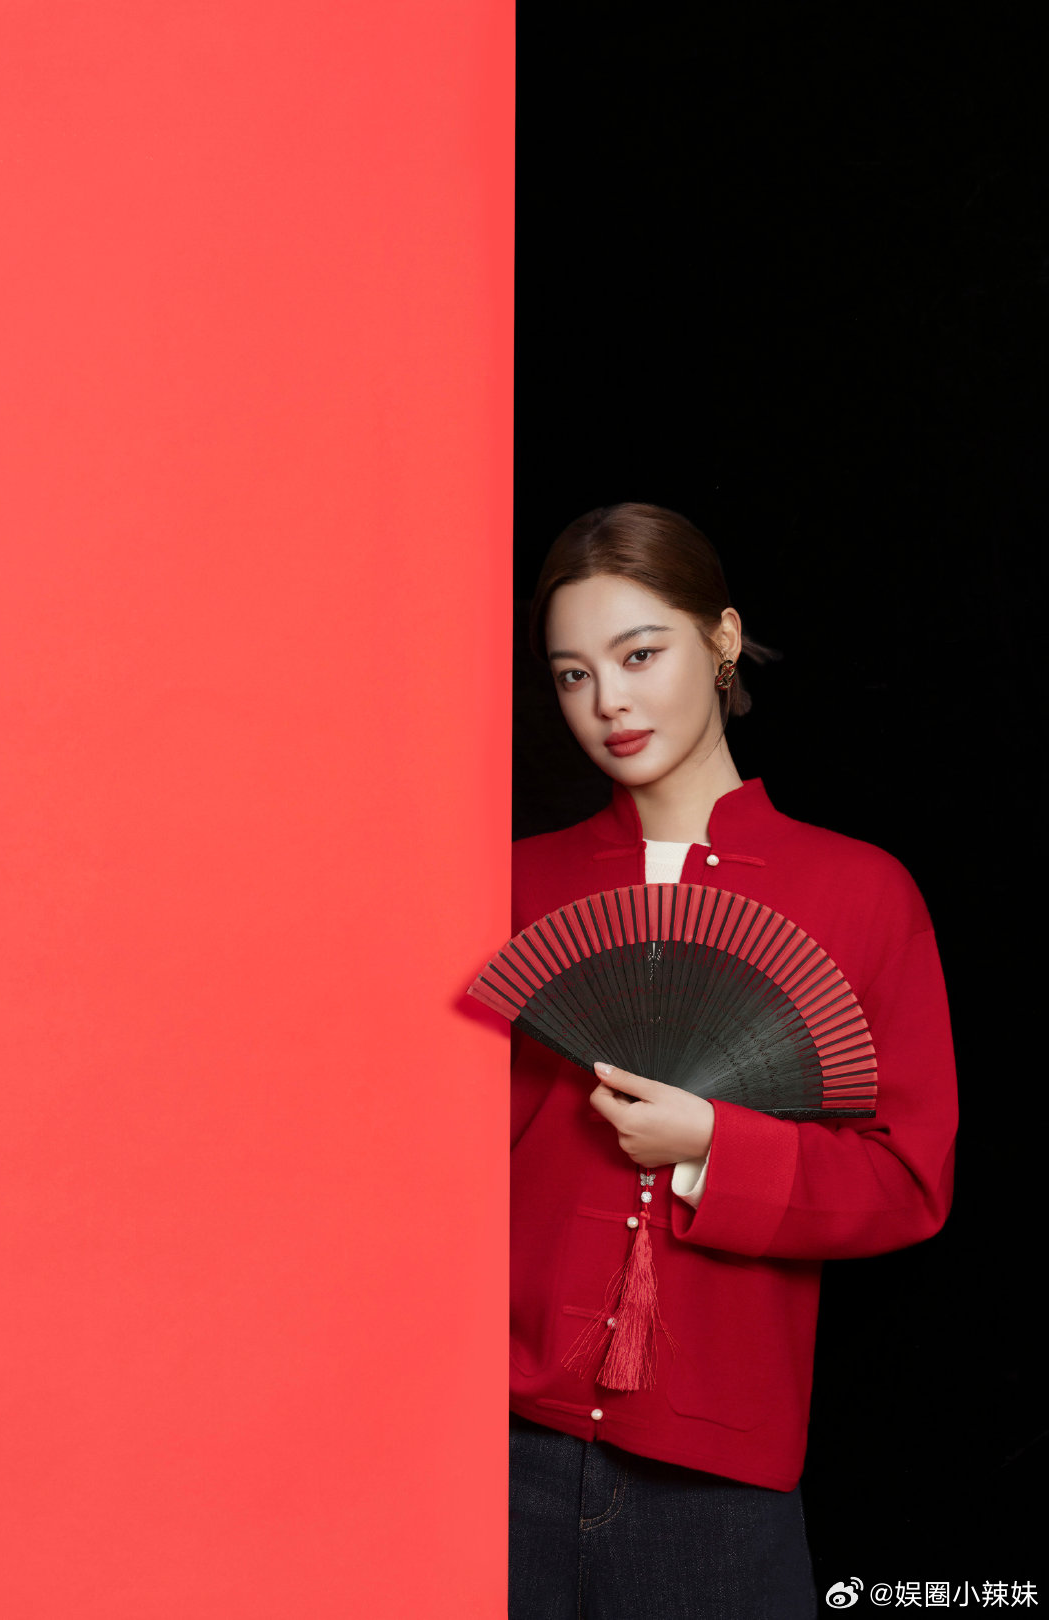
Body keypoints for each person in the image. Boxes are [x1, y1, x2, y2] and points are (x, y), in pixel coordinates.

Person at [508, 502, 959, 1619]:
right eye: (572, 675)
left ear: (722, 637)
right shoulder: (512, 885)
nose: (608, 702)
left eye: (639, 654)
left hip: (715, 1477)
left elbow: (910, 1179)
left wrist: (711, 1145)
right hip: (493, 1442)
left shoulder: (861, 893)